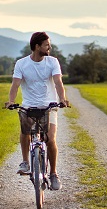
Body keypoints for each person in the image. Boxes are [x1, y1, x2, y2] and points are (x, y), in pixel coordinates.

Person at [6, 31, 70, 190]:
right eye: (47, 45)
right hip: (29, 105)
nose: (50, 47)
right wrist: (11, 101)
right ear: (37, 46)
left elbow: (58, 82)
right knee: (25, 130)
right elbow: (15, 84)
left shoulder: (52, 62)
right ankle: (26, 162)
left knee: (50, 139)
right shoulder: (21, 64)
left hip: (49, 106)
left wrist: (62, 99)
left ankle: (54, 173)